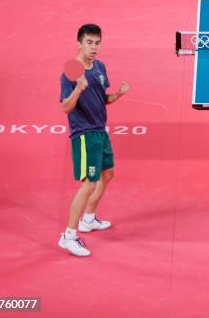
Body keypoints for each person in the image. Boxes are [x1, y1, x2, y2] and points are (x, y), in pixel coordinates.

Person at [58, 24, 130, 257]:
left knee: (108, 174)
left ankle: (88, 219)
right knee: (89, 182)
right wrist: (78, 89)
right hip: (84, 135)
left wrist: (117, 94)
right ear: (79, 43)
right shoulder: (70, 73)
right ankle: (68, 236)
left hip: (101, 131)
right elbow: (65, 108)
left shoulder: (99, 67)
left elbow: (103, 99)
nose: (94, 47)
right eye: (89, 42)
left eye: (97, 42)